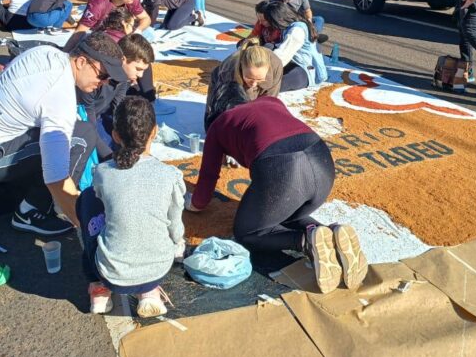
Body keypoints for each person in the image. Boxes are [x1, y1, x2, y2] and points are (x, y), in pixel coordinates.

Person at [0, 32, 127, 236]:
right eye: (103, 75)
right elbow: (57, 178)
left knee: (37, 183)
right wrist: (87, 227)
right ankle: (31, 212)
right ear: (81, 61)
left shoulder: (48, 53)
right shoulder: (58, 95)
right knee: (82, 137)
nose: (105, 83)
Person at [186, 93, 367, 294]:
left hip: (283, 170)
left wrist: (193, 204)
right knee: (286, 213)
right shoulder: (271, 101)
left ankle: (305, 241)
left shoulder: (218, 125)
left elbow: (206, 184)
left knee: (248, 232)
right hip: (322, 161)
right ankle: (330, 234)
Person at [78, 96, 185, 316]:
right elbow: (175, 224)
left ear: (115, 135)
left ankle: (99, 288)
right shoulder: (170, 174)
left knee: (87, 199)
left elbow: (106, 206)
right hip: (158, 268)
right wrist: (177, 246)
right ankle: (149, 292)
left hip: (111, 272)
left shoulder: (103, 171)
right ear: (154, 132)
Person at [204, 37, 283, 128]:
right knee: (215, 128)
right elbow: (227, 110)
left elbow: (269, 101)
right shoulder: (229, 72)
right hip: (224, 84)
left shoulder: (276, 66)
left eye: (259, 79)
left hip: (248, 85)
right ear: (241, 67)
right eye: (249, 78)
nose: (254, 84)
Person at [265, 1, 327, 92]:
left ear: (277, 19)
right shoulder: (294, 23)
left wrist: (262, 69)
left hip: (306, 70)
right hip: (296, 62)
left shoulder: (296, 30)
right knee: (268, 47)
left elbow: (283, 54)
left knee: (271, 86)